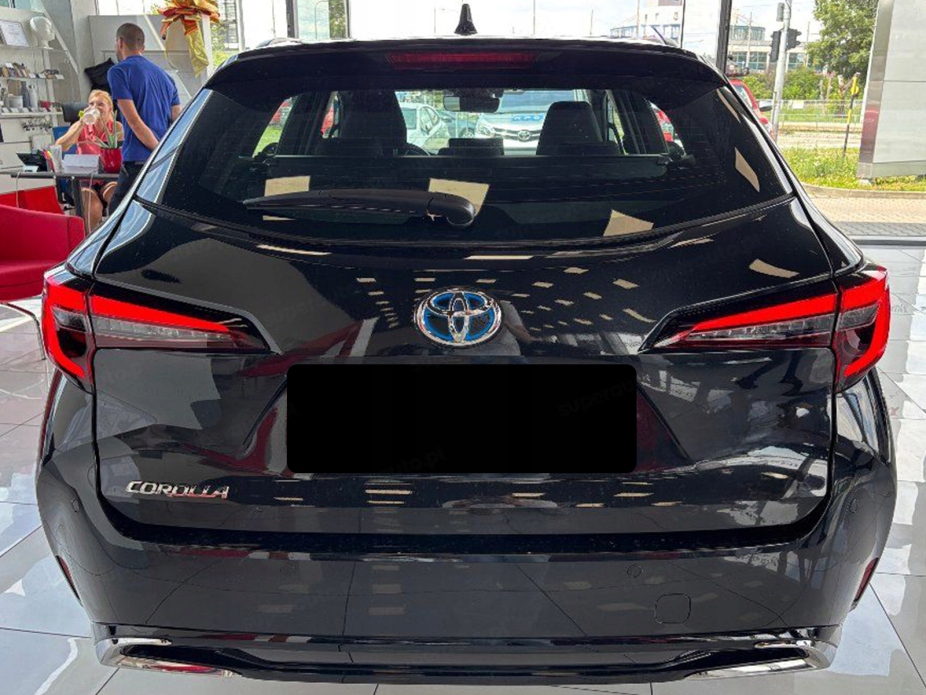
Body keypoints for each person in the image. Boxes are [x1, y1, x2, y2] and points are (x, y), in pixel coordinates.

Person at [107, 22, 182, 211]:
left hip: (139, 159)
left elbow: (134, 121)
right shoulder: (166, 77)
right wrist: (165, 154)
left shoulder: (118, 72)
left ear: (120, 42)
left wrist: (157, 152)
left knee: (117, 213)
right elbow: (177, 119)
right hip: (162, 161)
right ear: (143, 47)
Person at [54, 89, 124, 231]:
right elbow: (60, 147)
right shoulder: (80, 126)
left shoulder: (116, 127)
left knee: (118, 197)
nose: (95, 107)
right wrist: (81, 124)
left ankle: (119, 234)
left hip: (107, 177)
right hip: (83, 178)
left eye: (100, 104)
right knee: (93, 205)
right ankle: (89, 240)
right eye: (91, 104)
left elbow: (120, 155)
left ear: (110, 109)